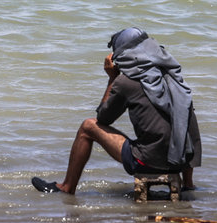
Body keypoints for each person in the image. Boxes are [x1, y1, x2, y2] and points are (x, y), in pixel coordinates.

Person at [31, 27, 201, 194]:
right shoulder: (173, 77)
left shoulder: (126, 81)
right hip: (181, 160)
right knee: (182, 111)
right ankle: (188, 183)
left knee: (87, 127)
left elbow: (103, 118)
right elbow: (186, 120)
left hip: (148, 161)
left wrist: (112, 78)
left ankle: (66, 187)